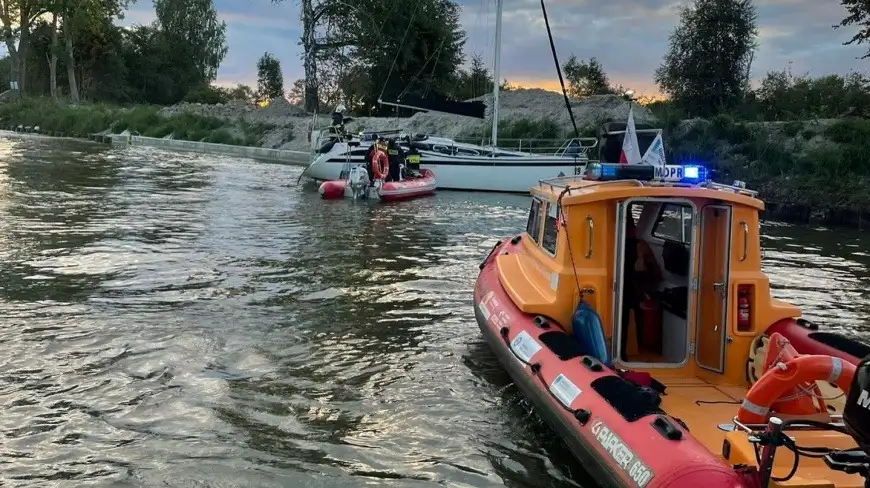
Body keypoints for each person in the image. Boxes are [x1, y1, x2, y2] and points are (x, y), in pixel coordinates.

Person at [620, 216, 662, 359]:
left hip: (626, 285)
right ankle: (627, 351)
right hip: (631, 285)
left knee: (625, 316)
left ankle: (623, 351)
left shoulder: (613, 242)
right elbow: (650, 270)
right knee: (627, 316)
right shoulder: (640, 244)